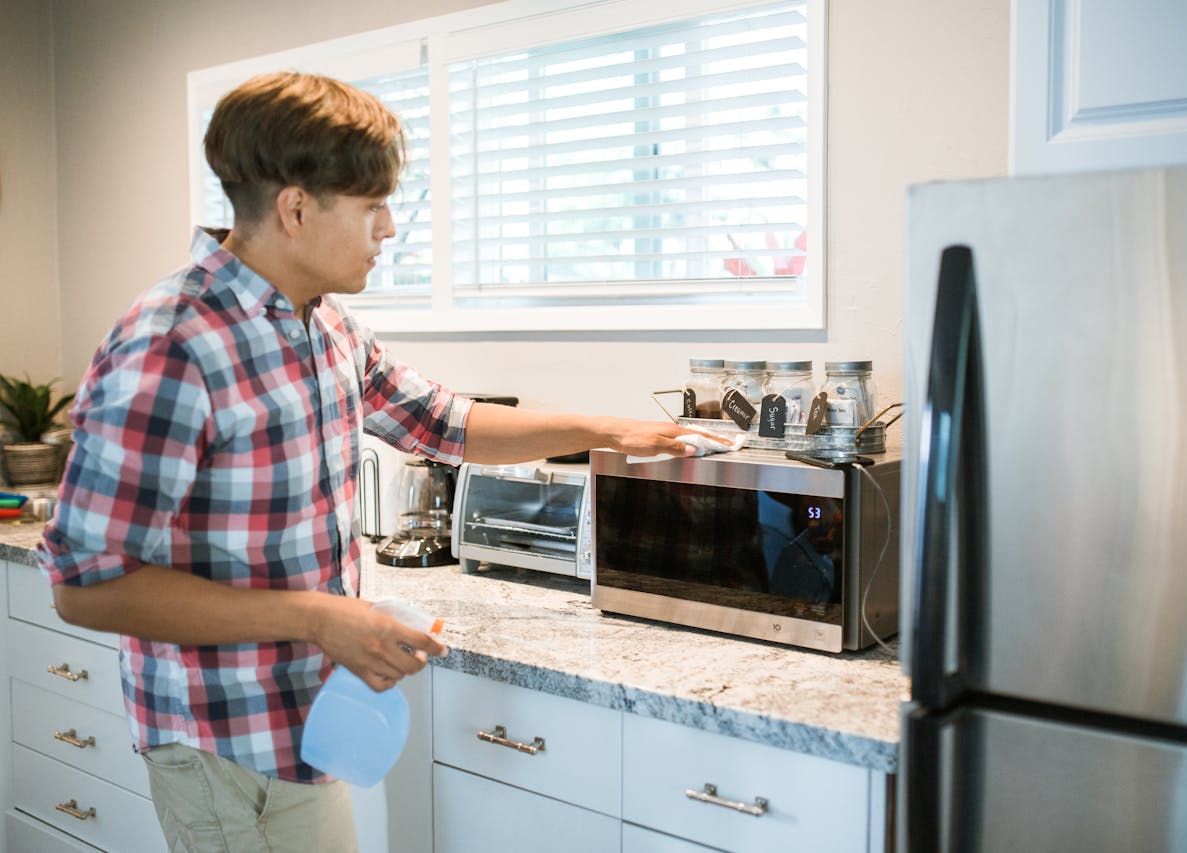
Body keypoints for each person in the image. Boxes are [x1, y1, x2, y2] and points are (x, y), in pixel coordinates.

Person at [36, 70, 717, 853]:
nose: (389, 229)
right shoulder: (171, 343)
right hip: (219, 739)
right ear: (295, 209)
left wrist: (621, 432)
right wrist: (320, 616)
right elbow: (87, 587)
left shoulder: (324, 326)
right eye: (372, 207)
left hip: (309, 721)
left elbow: (446, 421)